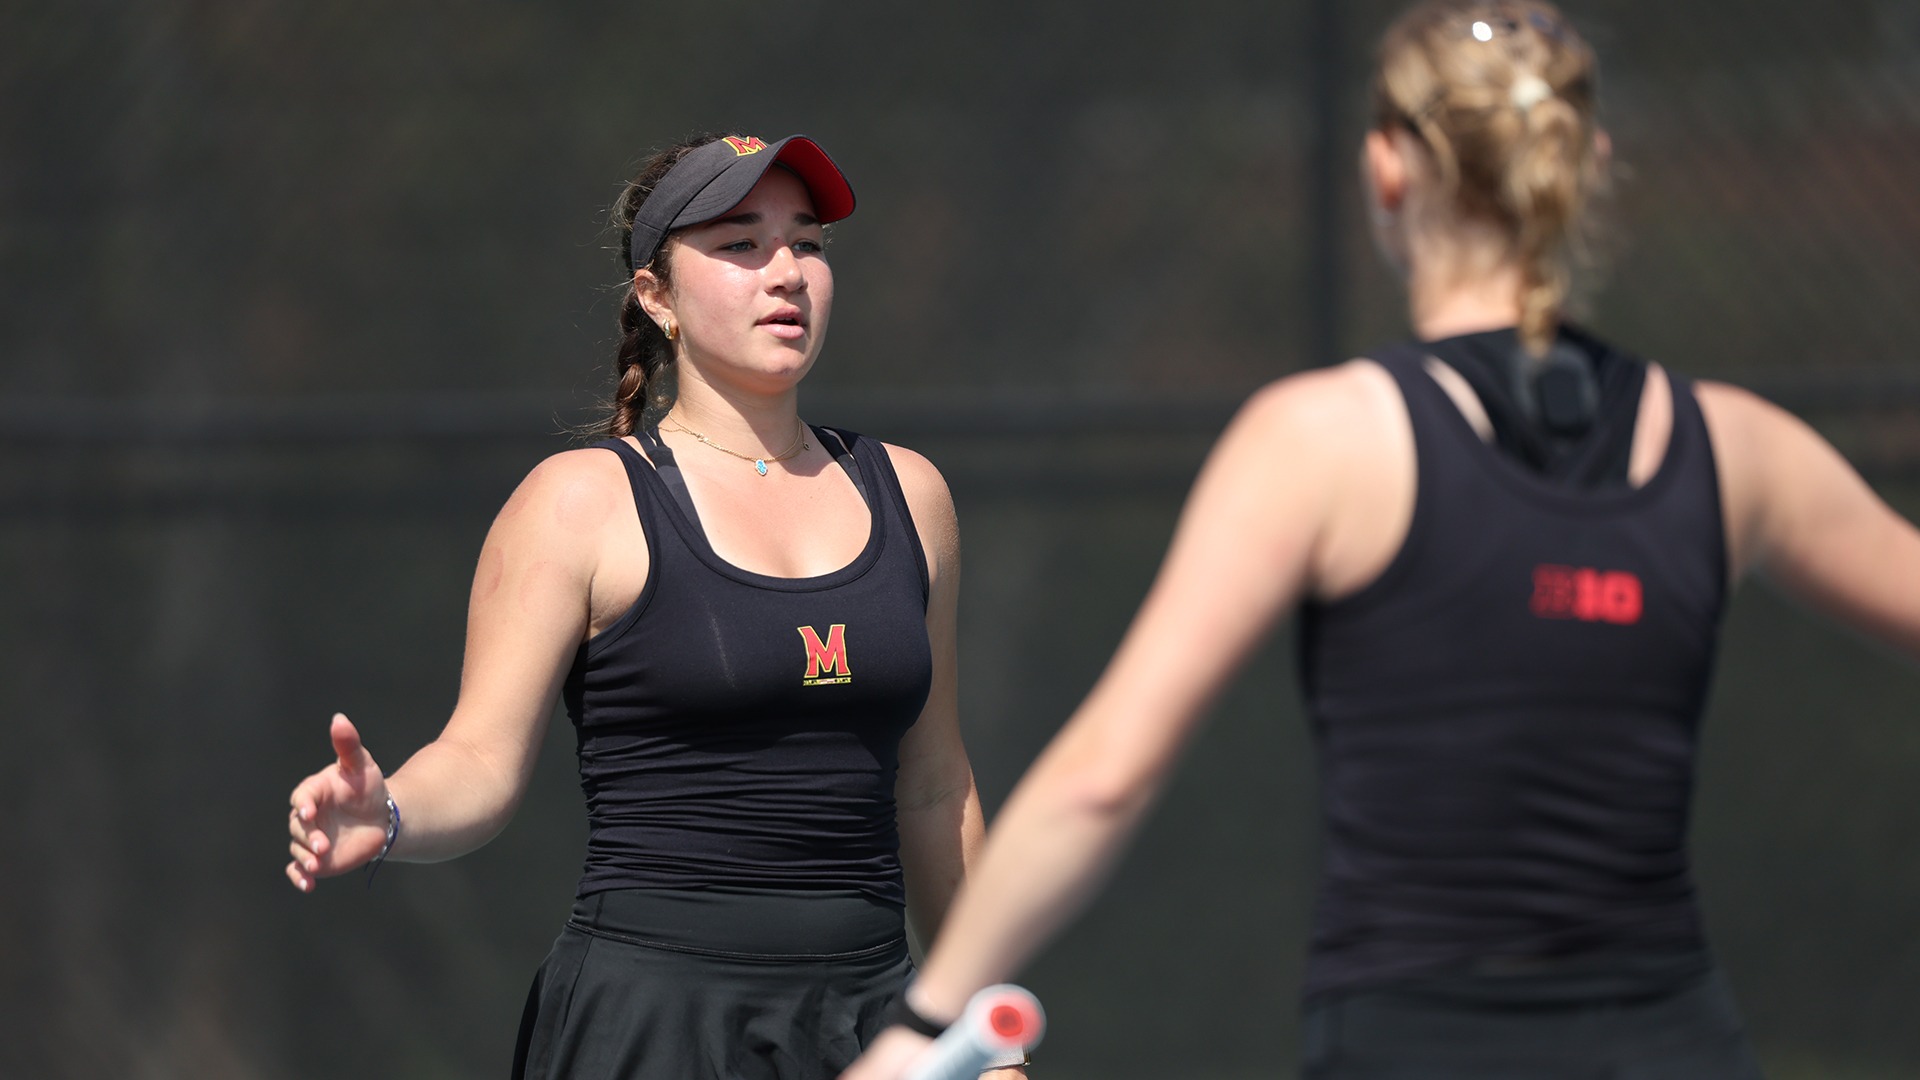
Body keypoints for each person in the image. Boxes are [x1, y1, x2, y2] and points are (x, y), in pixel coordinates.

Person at [842, 2, 1920, 1077]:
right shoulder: (1735, 448)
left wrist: (927, 1029)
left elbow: (1104, 778)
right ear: (1589, 163)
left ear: (1387, 169)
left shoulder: (1322, 441)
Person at [285, 132, 1025, 1079]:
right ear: (656, 295)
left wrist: (984, 1037)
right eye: (741, 245)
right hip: (652, 1024)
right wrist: (388, 812)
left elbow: (936, 788)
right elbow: (478, 760)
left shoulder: (911, 494)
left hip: (874, 1025)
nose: (786, 273)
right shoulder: (580, 500)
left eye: (807, 243)